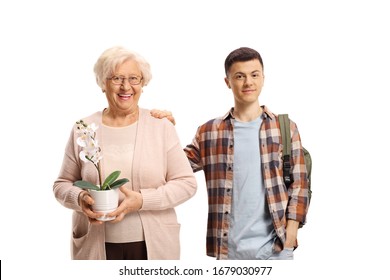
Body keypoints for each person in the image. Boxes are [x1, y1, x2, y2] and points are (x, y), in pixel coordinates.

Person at [152, 47, 309, 260]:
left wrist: (290, 235)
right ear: (227, 82)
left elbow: (299, 186)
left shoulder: (285, 128)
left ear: (263, 78)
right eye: (239, 76)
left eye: (254, 75)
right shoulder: (209, 132)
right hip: (228, 250)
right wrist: (163, 130)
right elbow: (174, 167)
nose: (248, 82)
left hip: (276, 249)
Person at [53, 46, 197, 260]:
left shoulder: (161, 126)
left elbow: (186, 183)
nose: (126, 86)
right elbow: (62, 184)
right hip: (95, 246)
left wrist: (142, 200)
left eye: (134, 79)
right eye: (117, 78)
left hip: (154, 245)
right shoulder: (83, 128)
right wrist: (80, 197)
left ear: (143, 83)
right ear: (103, 83)